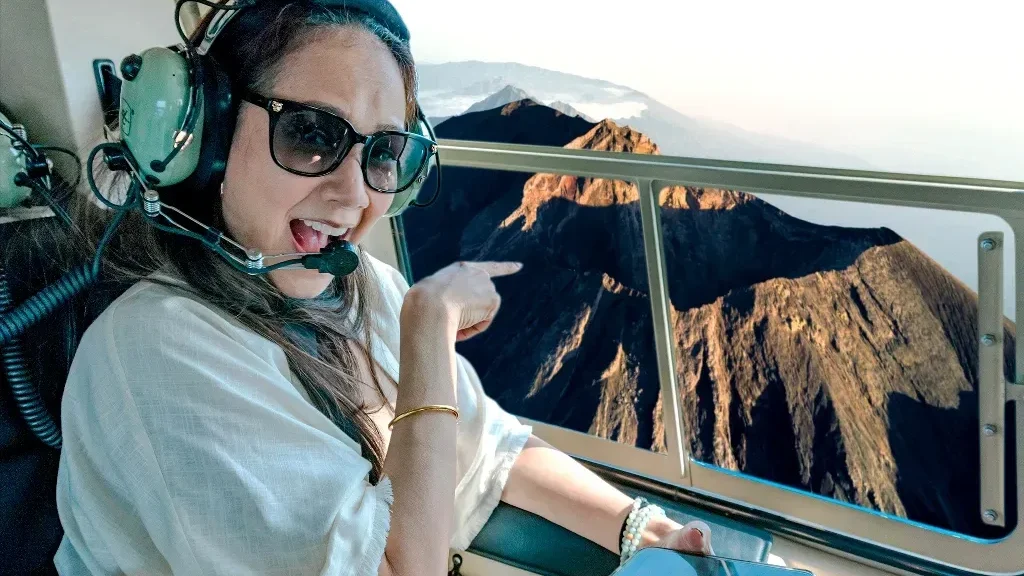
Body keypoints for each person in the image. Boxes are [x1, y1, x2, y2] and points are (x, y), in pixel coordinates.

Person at [54, 1, 716, 574]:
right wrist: (430, 323)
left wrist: (641, 527)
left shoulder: (360, 285)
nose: (354, 195)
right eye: (310, 134)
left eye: (383, 153)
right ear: (209, 136)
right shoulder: (152, 352)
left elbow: (486, 447)